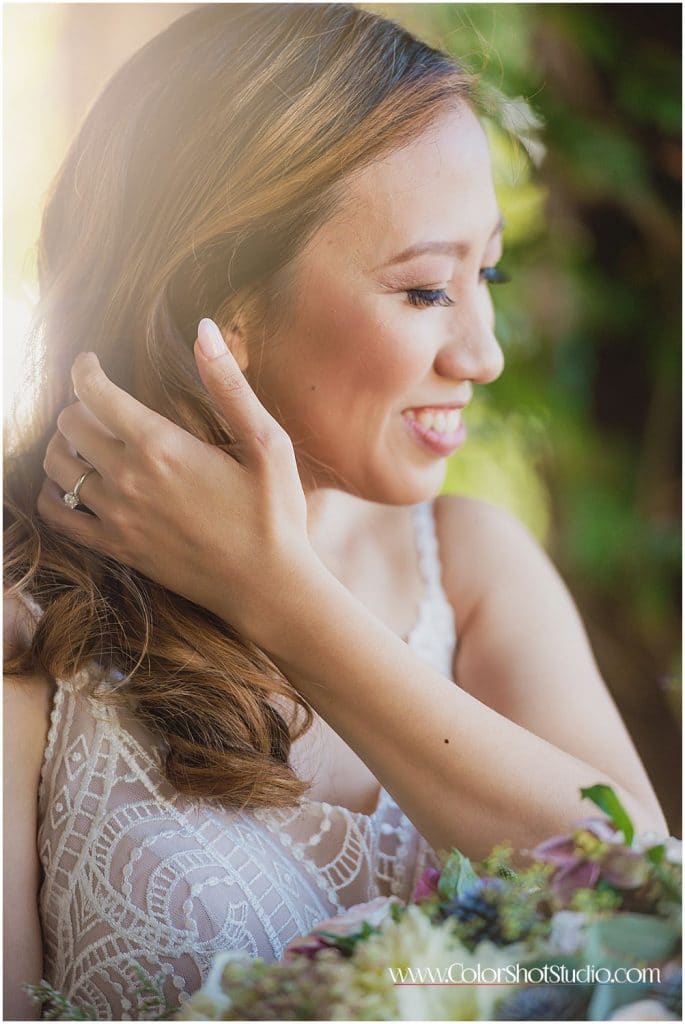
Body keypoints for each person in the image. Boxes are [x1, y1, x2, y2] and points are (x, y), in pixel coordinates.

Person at [4, 3, 669, 1019]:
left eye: (483, 272)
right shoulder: (25, 604)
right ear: (217, 309)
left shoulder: (476, 564)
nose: (482, 354)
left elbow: (650, 918)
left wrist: (277, 596)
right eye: (423, 290)